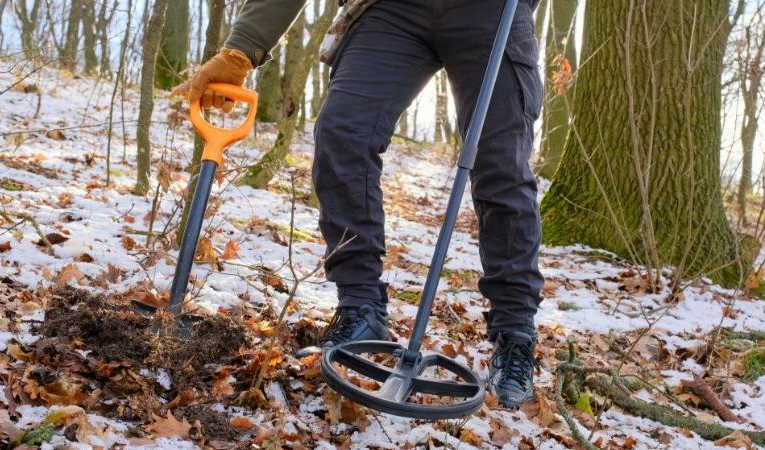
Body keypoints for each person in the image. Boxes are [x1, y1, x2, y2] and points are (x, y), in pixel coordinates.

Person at [173, 0, 544, 408]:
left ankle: (515, 336)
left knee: (501, 166)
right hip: (391, 10)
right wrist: (241, 49)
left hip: (491, 12)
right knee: (343, 132)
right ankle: (361, 309)